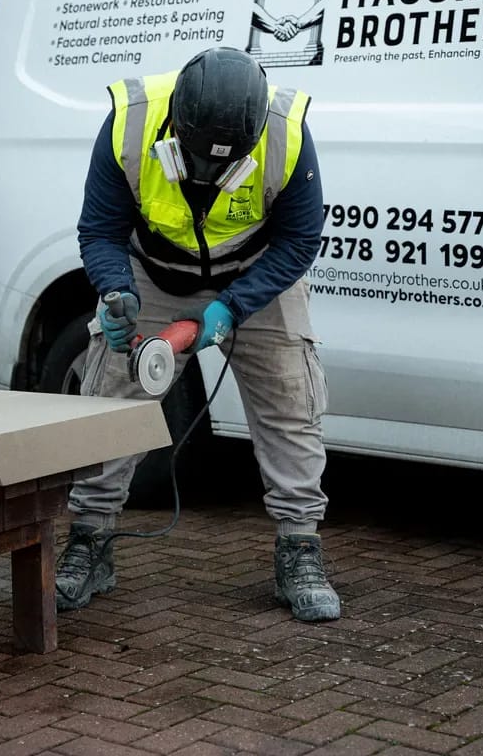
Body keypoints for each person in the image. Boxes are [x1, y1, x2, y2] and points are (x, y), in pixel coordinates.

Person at [56, 46, 339, 623]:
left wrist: (232, 308)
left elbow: (299, 241)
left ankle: (299, 549)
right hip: (153, 273)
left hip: (258, 276)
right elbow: (100, 228)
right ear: (177, 124)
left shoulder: (287, 133)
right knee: (111, 397)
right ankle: (90, 540)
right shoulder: (130, 122)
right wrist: (117, 293)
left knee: (292, 403)